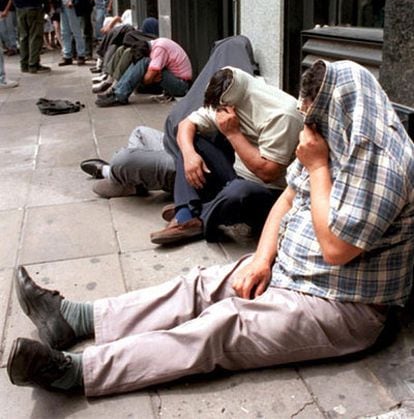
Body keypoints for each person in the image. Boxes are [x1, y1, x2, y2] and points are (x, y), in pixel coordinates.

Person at [8, 59, 414, 397]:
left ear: (340, 115)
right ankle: (75, 318)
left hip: (341, 303)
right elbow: (289, 197)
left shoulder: (383, 163)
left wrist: (319, 166)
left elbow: (337, 250)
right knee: (198, 285)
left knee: (222, 326)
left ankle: (77, 372)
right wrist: (260, 258)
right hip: (293, 269)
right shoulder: (331, 138)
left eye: (314, 120)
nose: (307, 129)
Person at [82, 35, 258, 200]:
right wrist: (187, 148)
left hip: (198, 165)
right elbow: (186, 122)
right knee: (140, 132)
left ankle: (111, 172)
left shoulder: (246, 100)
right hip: (183, 147)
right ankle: (135, 180)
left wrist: (230, 134)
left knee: (123, 159)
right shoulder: (212, 85)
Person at [150, 66, 303, 245]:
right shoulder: (224, 101)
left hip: (270, 191)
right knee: (193, 142)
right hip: (234, 174)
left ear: (233, 105)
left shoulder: (282, 114)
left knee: (239, 192)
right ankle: (185, 212)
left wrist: (233, 134)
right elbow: (186, 124)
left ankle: (199, 218)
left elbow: (268, 173)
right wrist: (190, 155)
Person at [95, 36, 192, 107]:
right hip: (175, 81)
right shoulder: (153, 45)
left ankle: (120, 95)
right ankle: (116, 91)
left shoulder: (159, 49)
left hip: (182, 86)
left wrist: (139, 76)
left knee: (145, 62)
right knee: (144, 64)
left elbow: (149, 79)